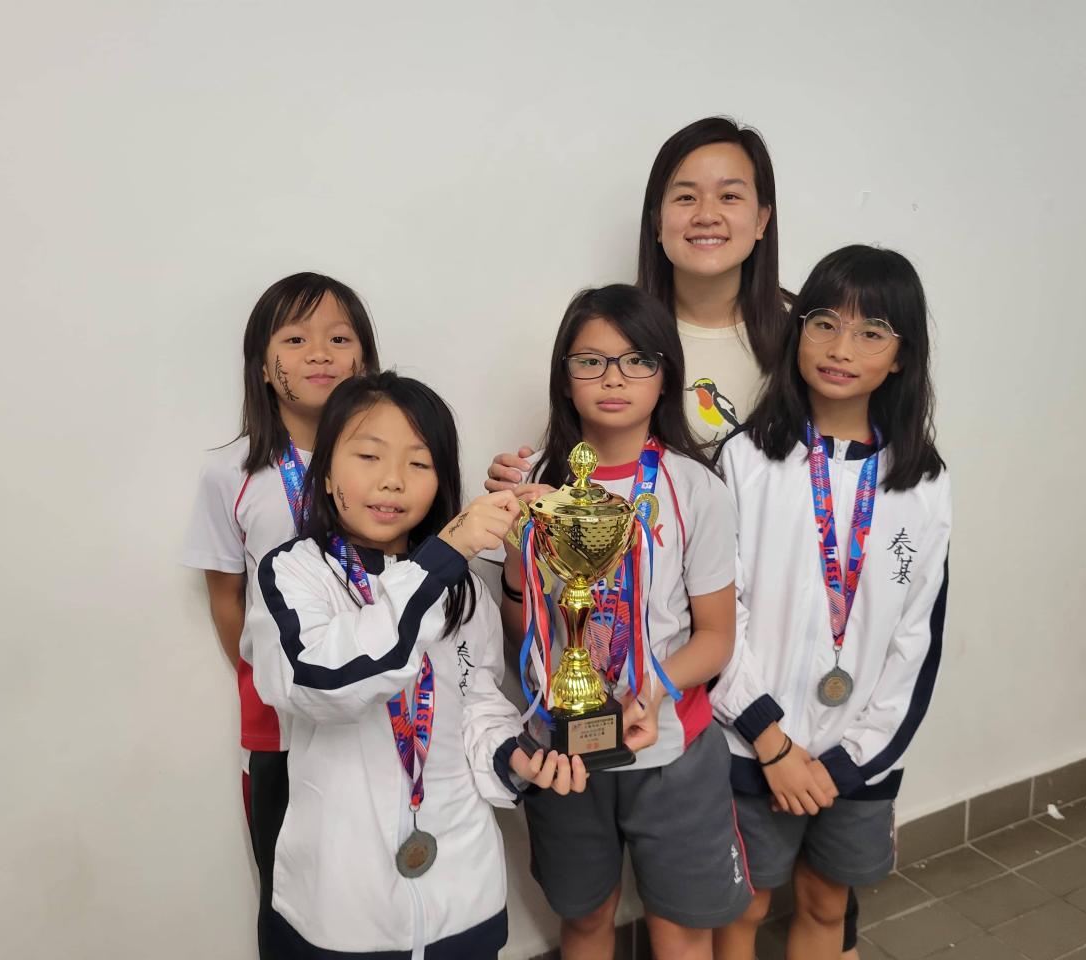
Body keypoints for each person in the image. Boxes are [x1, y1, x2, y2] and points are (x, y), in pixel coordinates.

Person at [249, 371, 588, 959]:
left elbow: (478, 701)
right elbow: (321, 682)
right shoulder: (292, 571)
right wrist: (441, 560)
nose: (392, 480)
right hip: (346, 906)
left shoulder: (466, 589)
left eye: (419, 463)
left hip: (464, 889)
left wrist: (515, 757)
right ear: (325, 472)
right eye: (368, 456)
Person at [711, 246, 951, 959]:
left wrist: (848, 761)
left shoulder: (924, 482)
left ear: (902, 357)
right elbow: (718, 616)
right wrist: (772, 742)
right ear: (798, 332)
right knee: (744, 905)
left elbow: (917, 638)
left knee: (826, 899)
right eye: (824, 324)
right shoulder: (745, 460)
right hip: (751, 741)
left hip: (862, 754)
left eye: (871, 332)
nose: (842, 349)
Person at [497, 285, 748, 960]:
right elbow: (523, 635)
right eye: (591, 361)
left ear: (665, 373)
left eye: (637, 360)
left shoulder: (695, 488)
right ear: (564, 377)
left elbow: (716, 636)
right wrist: (517, 559)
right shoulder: (535, 485)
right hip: (563, 753)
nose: (613, 378)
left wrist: (654, 689)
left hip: (672, 748)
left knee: (682, 932)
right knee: (583, 921)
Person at [181, 272, 379, 953]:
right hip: (279, 728)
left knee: (373, 892)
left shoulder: (389, 464)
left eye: (339, 338)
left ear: (364, 360)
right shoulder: (231, 473)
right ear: (263, 367)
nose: (319, 352)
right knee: (289, 898)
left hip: (379, 714)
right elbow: (226, 597)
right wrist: (270, 675)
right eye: (295, 339)